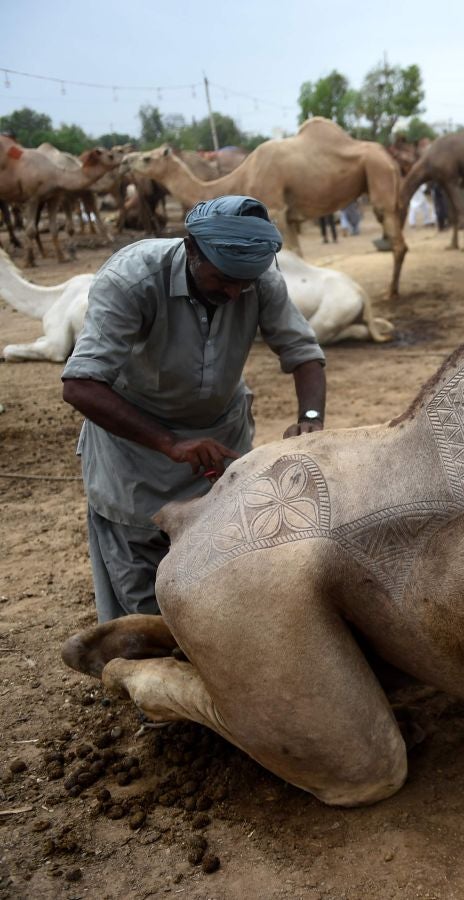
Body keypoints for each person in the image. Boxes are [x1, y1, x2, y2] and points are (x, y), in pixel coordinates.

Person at [61, 195, 327, 622]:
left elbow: (303, 352)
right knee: (146, 598)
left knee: (223, 562)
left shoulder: (256, 278)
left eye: (245, 283)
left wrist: (311, 420)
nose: (235, 292)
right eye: (223, 279)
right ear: (190, 249)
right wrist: (169, 443)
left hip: (220, 440)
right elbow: (80, 386)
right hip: (136, 451)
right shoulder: (132, 280)